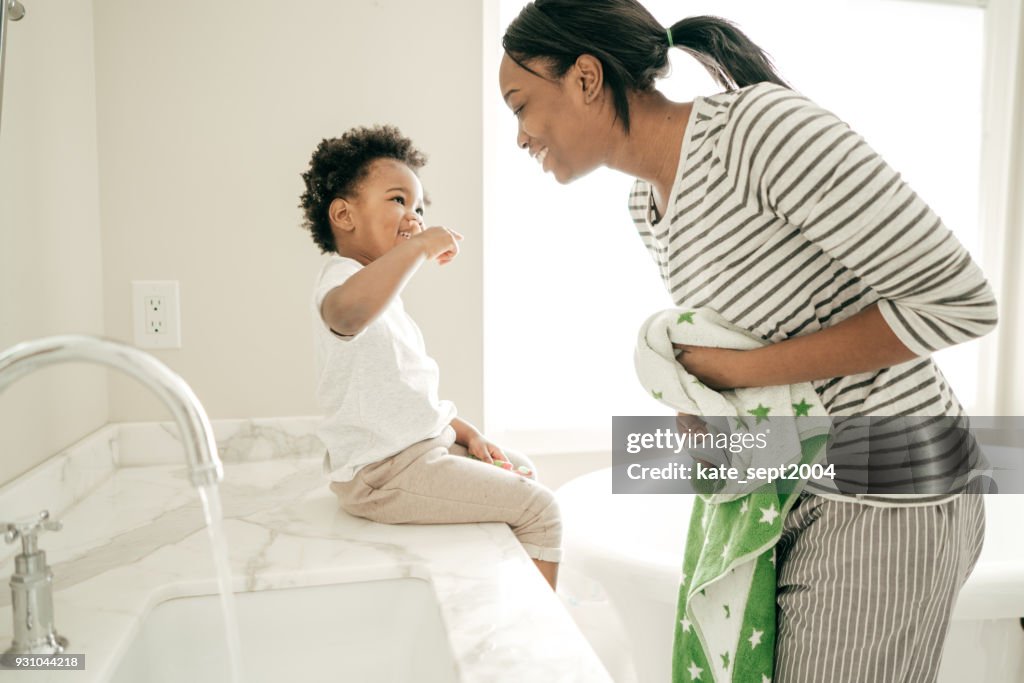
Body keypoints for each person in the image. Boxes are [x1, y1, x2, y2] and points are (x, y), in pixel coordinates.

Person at [498, 1, 996, 680]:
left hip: (892, 486)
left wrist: (740, 372)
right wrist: (715, 411)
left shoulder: (756, 130)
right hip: (801, 486)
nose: (520, 135)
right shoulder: (649, 206)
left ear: (586, 77)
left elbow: (959, 301)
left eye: (521, 104)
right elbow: (783, 357)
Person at [299, 125, 561, 589]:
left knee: (518, 469)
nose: (414, 215)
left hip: (415, 453)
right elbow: (344, 315)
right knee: (541, 509)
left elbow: (409, 398)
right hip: (382, 472)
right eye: (398, 200)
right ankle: (537, 636)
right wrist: (418, 247)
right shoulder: (340, 281)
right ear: (343, 214)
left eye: (419, 207)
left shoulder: (386, 303)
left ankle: (501, 592)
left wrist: (467, 432)